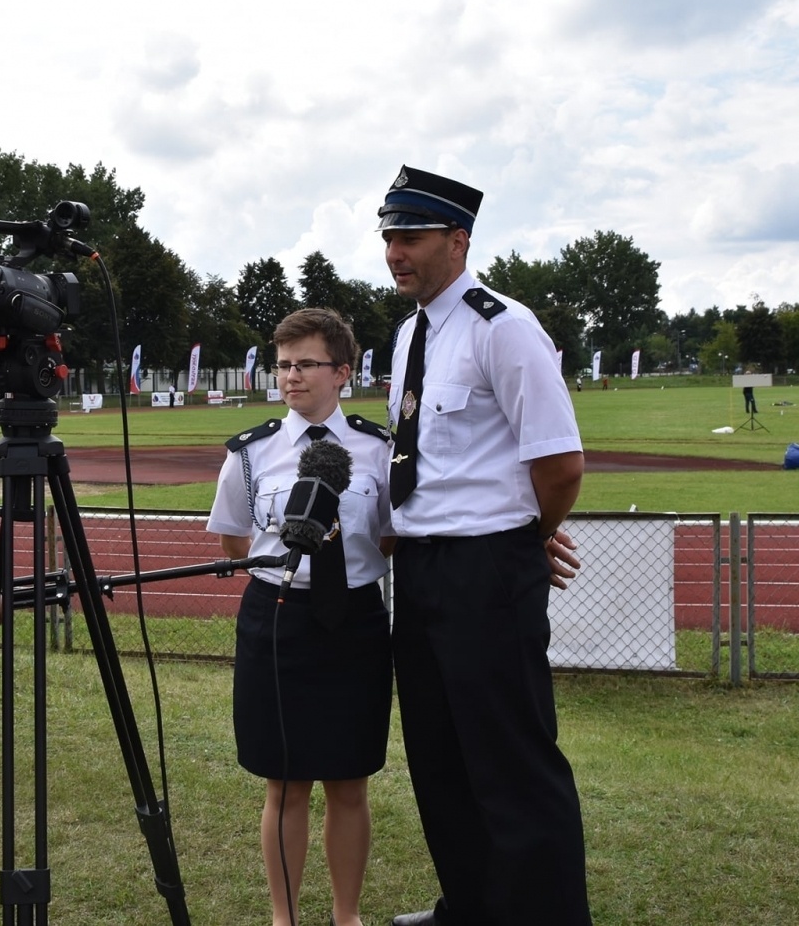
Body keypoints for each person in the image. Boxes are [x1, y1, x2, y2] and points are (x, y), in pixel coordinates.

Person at [377, 166, 591, 926]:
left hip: (487, 567)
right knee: (440, 759)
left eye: (411, 236)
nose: (395, 252)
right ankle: (467, 907)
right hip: (423, 564)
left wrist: (522, 538)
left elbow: (559, 462)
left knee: (512, 763)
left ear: (457, 239)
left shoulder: (504, 326)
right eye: (389, 238)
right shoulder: (409, 334)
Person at [207, 308, 394, 926]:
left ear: (343, 371)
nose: (291, 377)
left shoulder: (379, 450)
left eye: (306, 364)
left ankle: (347, 916)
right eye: (284, 365)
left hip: (357, 623)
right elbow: (235, 543)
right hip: (277, 619)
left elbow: (391, 537)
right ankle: (283, 920)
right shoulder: (251, 454)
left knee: (348, 781)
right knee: (283, 782)